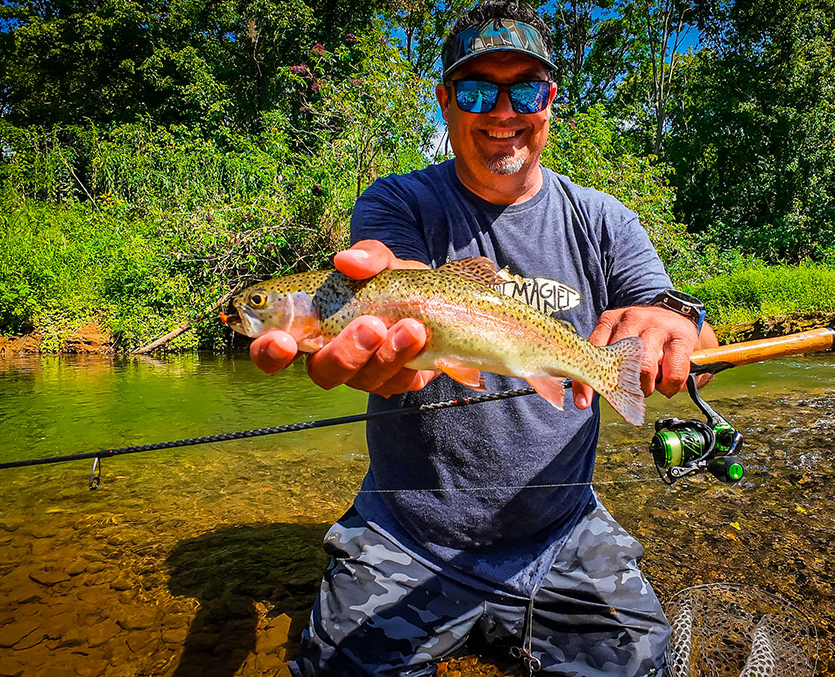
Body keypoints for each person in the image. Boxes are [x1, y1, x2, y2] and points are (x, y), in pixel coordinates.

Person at [250, 2, 718, 674]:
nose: (503, 111)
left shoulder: (606, 222)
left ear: (551, 99)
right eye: (475, 90)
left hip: (562, 531)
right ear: (445, 102)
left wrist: (680, 323)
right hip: (406, 534)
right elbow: (395, 271)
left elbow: (686, 329)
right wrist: (403, 298)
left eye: (525, 88)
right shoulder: (396, 202)